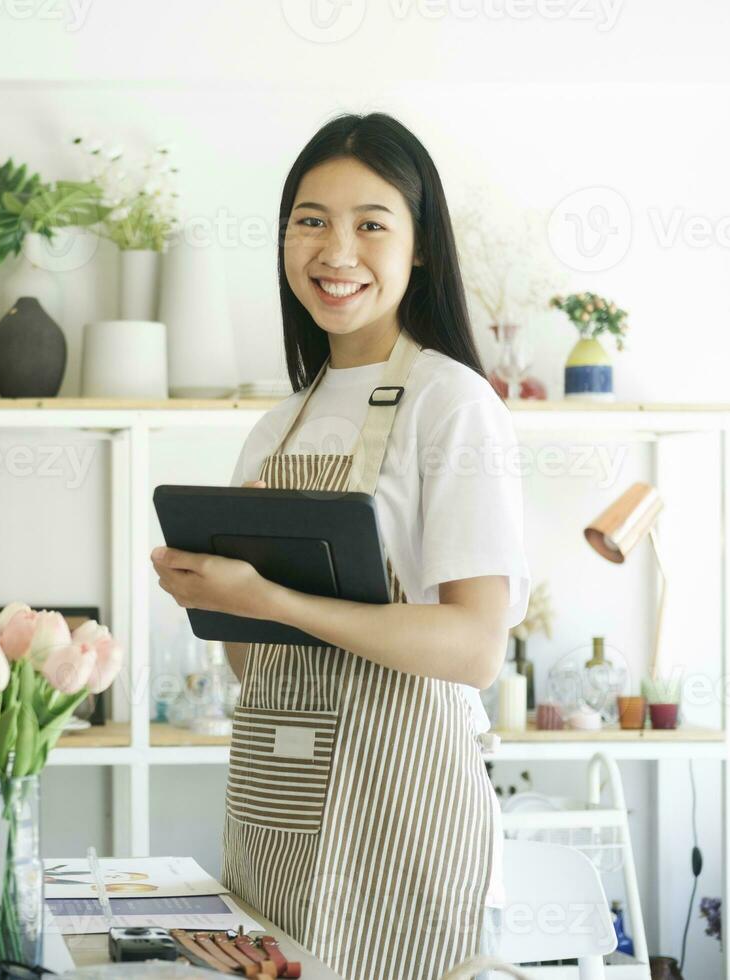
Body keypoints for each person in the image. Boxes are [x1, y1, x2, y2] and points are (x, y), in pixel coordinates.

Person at [150, 112, 530, 978]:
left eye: (371, 224)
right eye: (311, 220)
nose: (336, 251)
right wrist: (215, 597)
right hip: (276, 811)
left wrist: (270, 598)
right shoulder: (275, 427)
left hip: (403, 815)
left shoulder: (454, 405)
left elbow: (473, 648)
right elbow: (262, 670)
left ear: (421, 245)